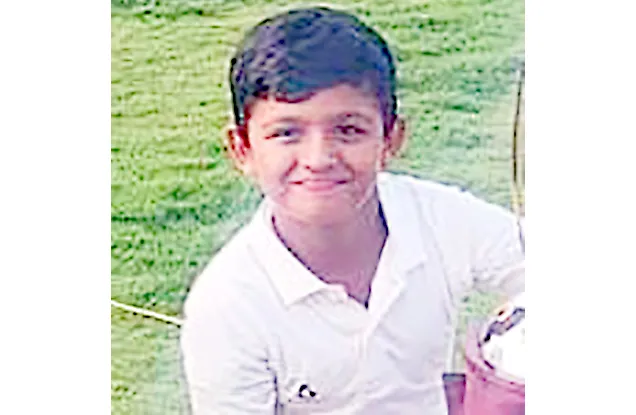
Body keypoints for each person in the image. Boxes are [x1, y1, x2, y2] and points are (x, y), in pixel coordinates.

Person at [180, 6, 524, 415]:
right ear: (243, 149)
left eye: (348, 130)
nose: (319, 159)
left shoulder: (440, 219)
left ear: (391, 139)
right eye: (287, 133)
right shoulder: (226, 306)